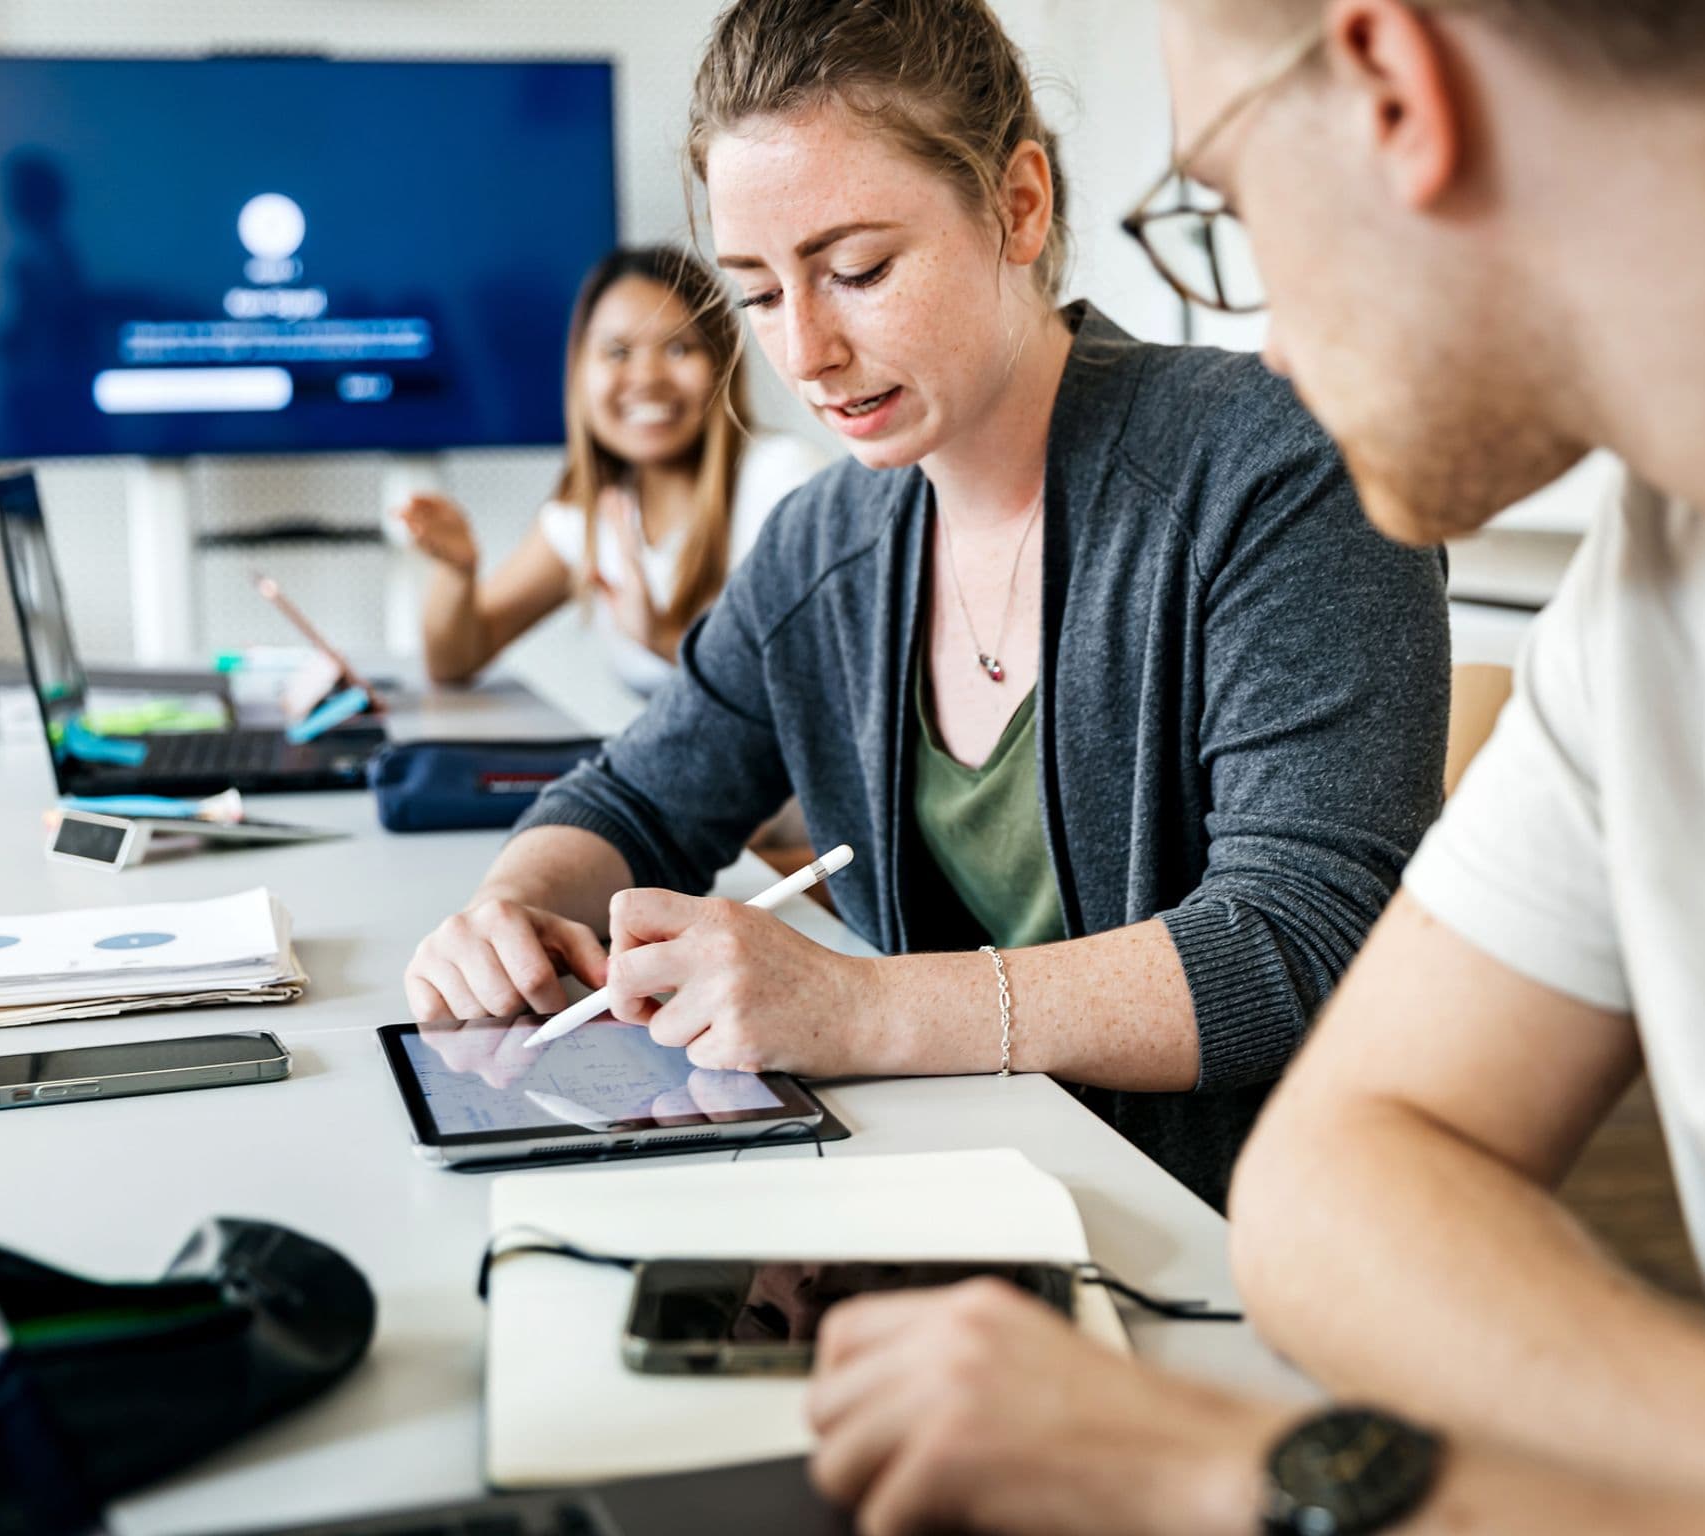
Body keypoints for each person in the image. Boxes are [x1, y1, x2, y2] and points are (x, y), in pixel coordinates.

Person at [796, 0, 1705, 1532]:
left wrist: (1220, 1475)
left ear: (1397, 88)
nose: (1276, 346)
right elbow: (1338, 1180)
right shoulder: (1662, 582)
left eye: (1232, 210)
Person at [400, 0, 1451, 1210]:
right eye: (753, 292)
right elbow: (637, 797)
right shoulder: (824, 545)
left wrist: (857, 1006)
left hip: (1223, 1238)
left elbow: (1301, 943)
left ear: (1018, 205)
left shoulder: (1264, 468)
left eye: (857, 270)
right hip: (957, 1210)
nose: (803, 353)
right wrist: (510, 909)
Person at [394, 244, 824, 696]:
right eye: (618, 352)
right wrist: (458, 572)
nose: (646, 378)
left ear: (721, 363)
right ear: (580, 372)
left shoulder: (783, 480)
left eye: (678, 349)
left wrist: (661, 640)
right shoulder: (590, 516)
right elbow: (453, 661)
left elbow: (811, 691)